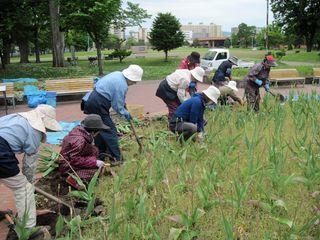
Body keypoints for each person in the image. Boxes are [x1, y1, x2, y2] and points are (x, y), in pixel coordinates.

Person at [0, 105, 61, 231]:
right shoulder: (34, 131)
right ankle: (28, 228)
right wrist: (29, 185)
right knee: (23, 189)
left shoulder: (15, 118)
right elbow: (29, 166)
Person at [82, 65, 143, 166]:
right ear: (130, 78)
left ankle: (101, 154)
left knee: (99, 130)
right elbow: (117, 106)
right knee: (110, 131)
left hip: (91, 100)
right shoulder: (122, 85)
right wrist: (125, 113)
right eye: (135, 81)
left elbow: (116, 96)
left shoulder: (117, 74)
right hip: (98, 103)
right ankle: (117, 158)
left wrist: (122, 103)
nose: (135, 83)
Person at [59, 114, 110, 188]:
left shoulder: (80, 131)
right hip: (67, 166)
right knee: (96, 172)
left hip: (72, 160)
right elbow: (74, 160)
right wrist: (94, 162)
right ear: (93, 131)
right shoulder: (79, 141)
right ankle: (73, 178)